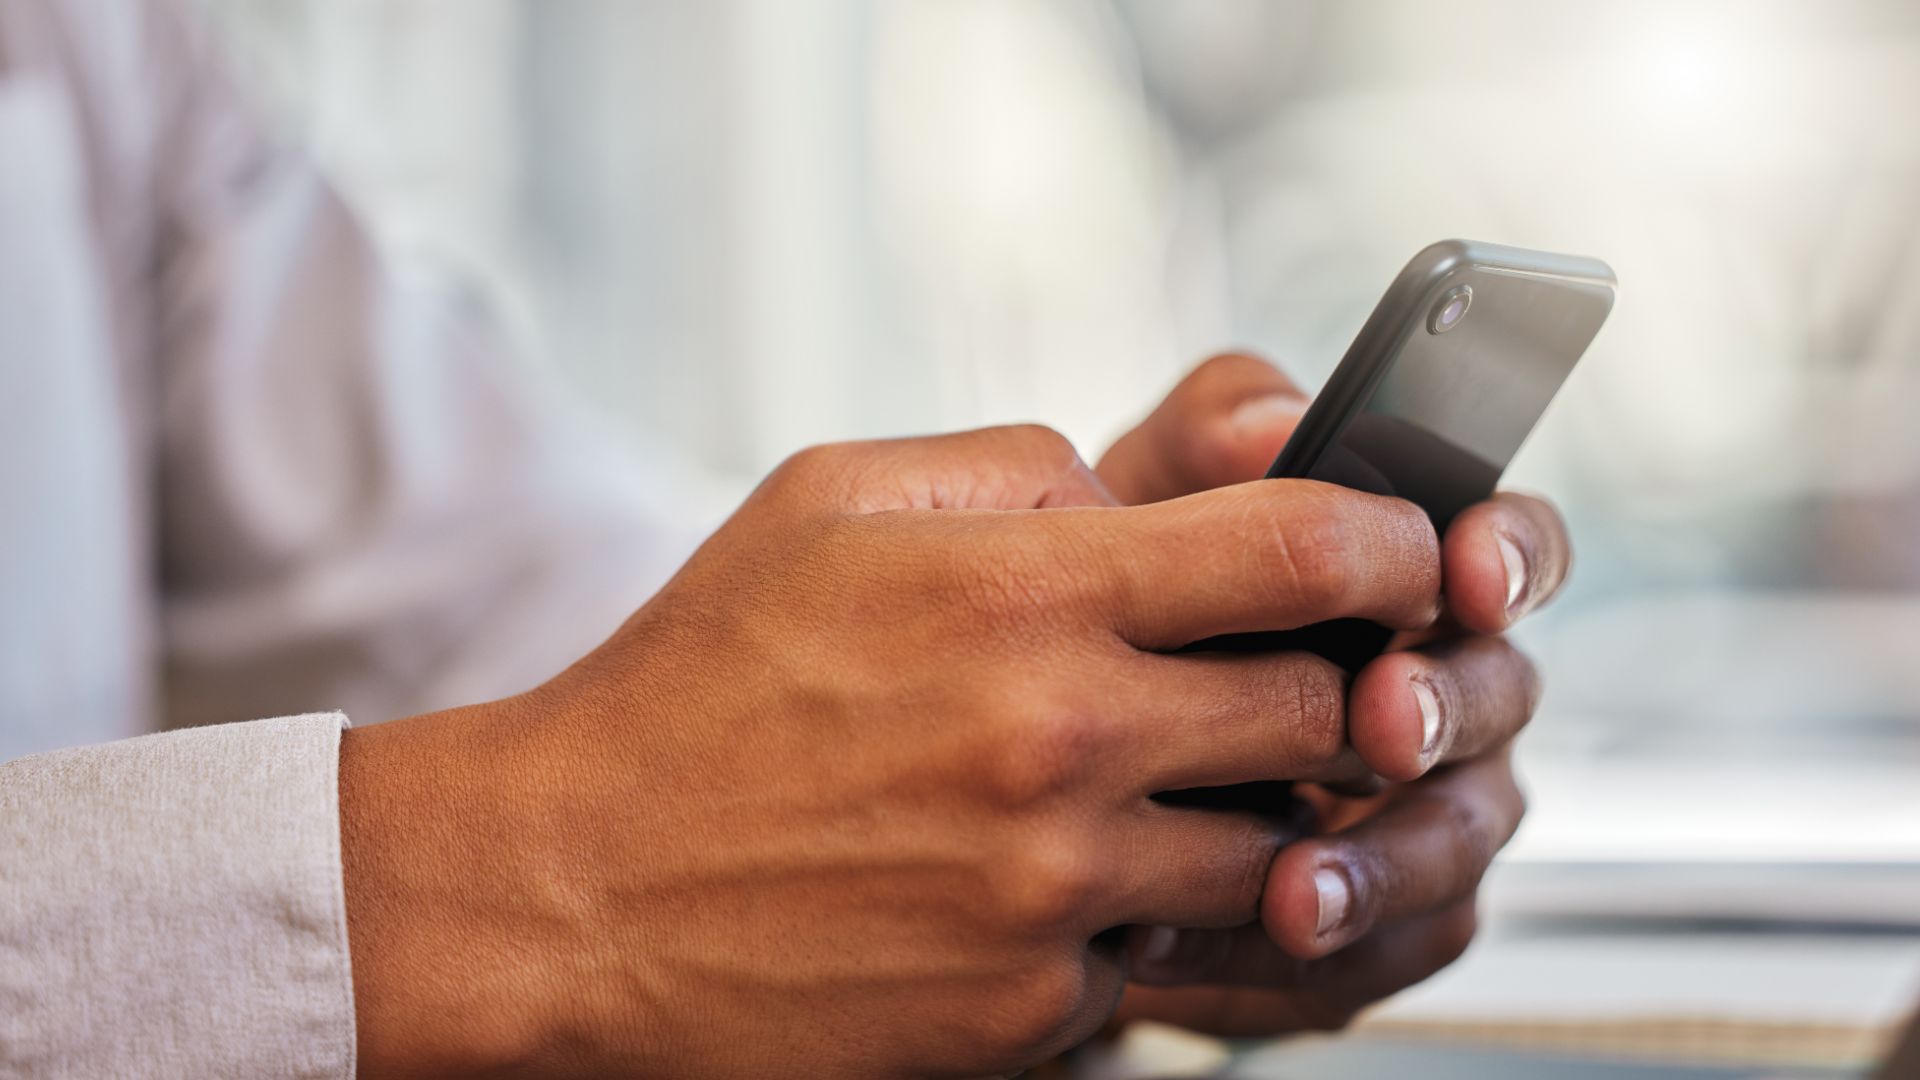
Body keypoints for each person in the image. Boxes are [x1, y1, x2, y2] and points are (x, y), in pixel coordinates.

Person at [0, 1, 1566, 1076]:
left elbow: (483, 585)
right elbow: (592, 795)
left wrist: (1035, 703)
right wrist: (535, 882)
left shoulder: (101, 46)